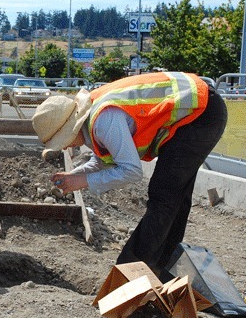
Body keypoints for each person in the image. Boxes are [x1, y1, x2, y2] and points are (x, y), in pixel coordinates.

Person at [31, 72, 228, 274]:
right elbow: (104, 160)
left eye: (63, 142)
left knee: (164, 195)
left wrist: (84, 181)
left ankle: (131, 272)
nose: (64, 148)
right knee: (174, 196)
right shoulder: (94, 117)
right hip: (200, 109)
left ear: (71, 129)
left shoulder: (103, 121)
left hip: (201, 113)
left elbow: (132, 171)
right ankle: (162, 268)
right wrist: (75, 176)